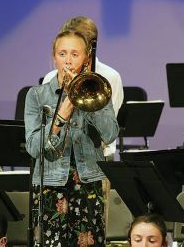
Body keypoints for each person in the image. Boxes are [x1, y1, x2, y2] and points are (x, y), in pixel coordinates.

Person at [25, 28, 119, 246]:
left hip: (89, 182)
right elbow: (32, 147)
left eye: (75, 54)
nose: (68, 60)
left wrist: (90, 100)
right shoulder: (37, 95)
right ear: (54, 57)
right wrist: (61, 116)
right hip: (50, 184)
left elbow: (110, 134)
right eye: (62, 54)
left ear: (86, 59)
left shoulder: (98, 89)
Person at [42, 16, 124, 160]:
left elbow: (107, 132)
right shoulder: (50, 78)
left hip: (98, 159)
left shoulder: (109, 77)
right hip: (60, 158)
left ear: (89, 50)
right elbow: (45, 130)